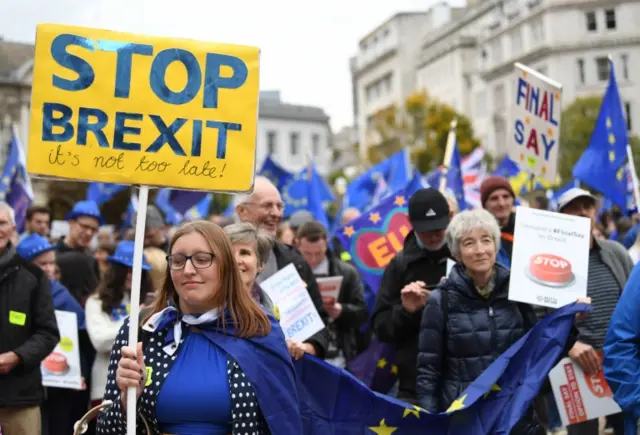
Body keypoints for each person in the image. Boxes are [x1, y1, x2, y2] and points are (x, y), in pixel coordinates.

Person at [96, 221, 302, 434]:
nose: (188, 270)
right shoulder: (142, 329)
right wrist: (126, 400)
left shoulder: (259, 330)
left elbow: (283, 422)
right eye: (177, 261)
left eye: (202, 260)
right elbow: (106, 430)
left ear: (226, 267)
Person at [416, 209, 583, 433]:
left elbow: (537, 352)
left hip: (515, 416)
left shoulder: (519, 291)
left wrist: (570, 321)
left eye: (486, 240)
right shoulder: (441, 300)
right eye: (469, 243)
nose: (480, 250)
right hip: (467, 419)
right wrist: (431, 424)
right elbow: (428, 371)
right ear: (457, 254)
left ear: (496, 247)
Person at [557, 188, 633, 435]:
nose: (581, 213)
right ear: (561, 215)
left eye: (587, 207)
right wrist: (569, 344)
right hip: (575, 367)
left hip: (620, 363)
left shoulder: (617, 252)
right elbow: (537, 316)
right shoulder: (549, 260)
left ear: (595, 212)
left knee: (627, 427)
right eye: (573, 208)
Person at [371, 188, 453, 404]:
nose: (435, 236)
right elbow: (381, 327)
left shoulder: (465, 256)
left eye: (439, 229)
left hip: (462, 377)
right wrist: (407, 310)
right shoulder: (399, 266)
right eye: (427, 231)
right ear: (411, 224)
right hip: (415, 383)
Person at [235, 176, 330, 360]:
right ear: (242, 211)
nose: (276, 213)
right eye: (268, 205)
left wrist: (309, 347)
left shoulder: (295, 261)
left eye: (280, 206)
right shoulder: (216, 257)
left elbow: (320, 323)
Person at [16, 234, 89, 435]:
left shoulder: (60, 295)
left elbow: (79, 340)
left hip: (59, 384)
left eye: (52, 264)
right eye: (42, 264)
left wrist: (79, 373)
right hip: (22, 383)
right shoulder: (12, 293)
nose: (49, 269)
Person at [0, 202, 59, 435]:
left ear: (13, 228)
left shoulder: (33, 276)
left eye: (2, 223)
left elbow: (48, 332)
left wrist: (16, 357)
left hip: (20, 399)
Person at [85, 241, 154, 410]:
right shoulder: (96, 302)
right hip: (104, 385)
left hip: (145, 384)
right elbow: (100, 341)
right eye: (127, 270)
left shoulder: (149, 302)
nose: (132, 275)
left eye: (138, 271)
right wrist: (136, 319)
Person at [296, 220, 368, 366]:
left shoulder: (347, 273)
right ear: (298, 245)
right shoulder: (290, 271)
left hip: (338, 352)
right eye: (307, 254)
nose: (313, 259)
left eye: (318, 253)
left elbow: (362, 312)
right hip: (302, 351)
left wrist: (340, 310)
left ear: (326, 243)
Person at [223, 222, 275, 317]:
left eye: (244, 253)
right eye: (229, 252)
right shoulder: (201, 307)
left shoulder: (269, 309)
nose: (235, 260)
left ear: (260, 264)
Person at [480, 175, 516, 267]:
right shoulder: (477, 234)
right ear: (485, 205)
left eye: (506, 196)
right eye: (494, 198)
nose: (501, 203)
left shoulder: (525, 231)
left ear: (513, 201)